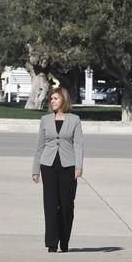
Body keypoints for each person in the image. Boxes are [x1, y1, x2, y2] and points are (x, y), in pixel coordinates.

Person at [32, 87, 83, 253]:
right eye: (51, 99)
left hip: (68, 166)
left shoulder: (74, 120)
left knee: (67, 205)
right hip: (48, 165)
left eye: (56, 98)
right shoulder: (45, 120)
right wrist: (35, 170)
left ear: (64, 100)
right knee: (51, 204)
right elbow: (39, 146)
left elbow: (78, 144)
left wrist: (79, 166)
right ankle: (52, 242)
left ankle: (64, 240)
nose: (52, 101)